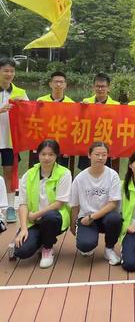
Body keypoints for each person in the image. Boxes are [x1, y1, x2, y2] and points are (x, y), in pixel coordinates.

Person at [14, 139, 71, 268]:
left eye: (51, 154)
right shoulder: (29, 174)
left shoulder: (64, 173)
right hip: (33, 222)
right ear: (37, 155)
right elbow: (23, 204)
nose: (46, 158)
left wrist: (35, 215)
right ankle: (40, 238)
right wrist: (23, 229)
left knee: (50, 217)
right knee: (21, 252)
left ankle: (47, 248)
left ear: (57, 156)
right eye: (43, 154)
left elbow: (59, 203)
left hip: (54, 219)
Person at [70, 142, 122, 265]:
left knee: (115, 218)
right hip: (86, 218)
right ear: (89, 155)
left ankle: (109, 249)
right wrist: (72, 225)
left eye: (104, 155)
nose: (100, 158)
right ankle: (88, 242)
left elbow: (113, 204)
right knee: (85, 246)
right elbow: (75, 205)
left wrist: (92, 217)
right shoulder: (80, 178)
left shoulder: (112, 175)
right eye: (97, 154)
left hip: (105, 216)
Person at [0, 57, 29, 223]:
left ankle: (10, 207)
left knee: (9, 172)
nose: (9, 74)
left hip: (10, 141)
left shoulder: (20, 92)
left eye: (12, 71)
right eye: (5, 70)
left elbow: (30, 117)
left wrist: (22, 107)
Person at [30, 71, 74, 168]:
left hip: (62, 146)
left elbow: (71, 127)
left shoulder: (71, 104)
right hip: (43, 144)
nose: (58, 84)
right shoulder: (41, 101)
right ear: (50, 84)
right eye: (56, 82)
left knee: (60, 174)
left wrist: (69, 148)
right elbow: (33, 122)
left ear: (65, 85)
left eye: (61, 82)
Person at [79, 73, 119, 171]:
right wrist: (81, 109)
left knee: (106, 174)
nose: (100, 89)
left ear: (108, 88)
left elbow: (118, 128)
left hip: (106, 144)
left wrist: (116, 149)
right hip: (89, 144)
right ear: (93, 87)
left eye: (103, 87)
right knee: (86, 173)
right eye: (98, 86)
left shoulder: (116, 105)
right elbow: (79, 123)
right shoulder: (86, 102)